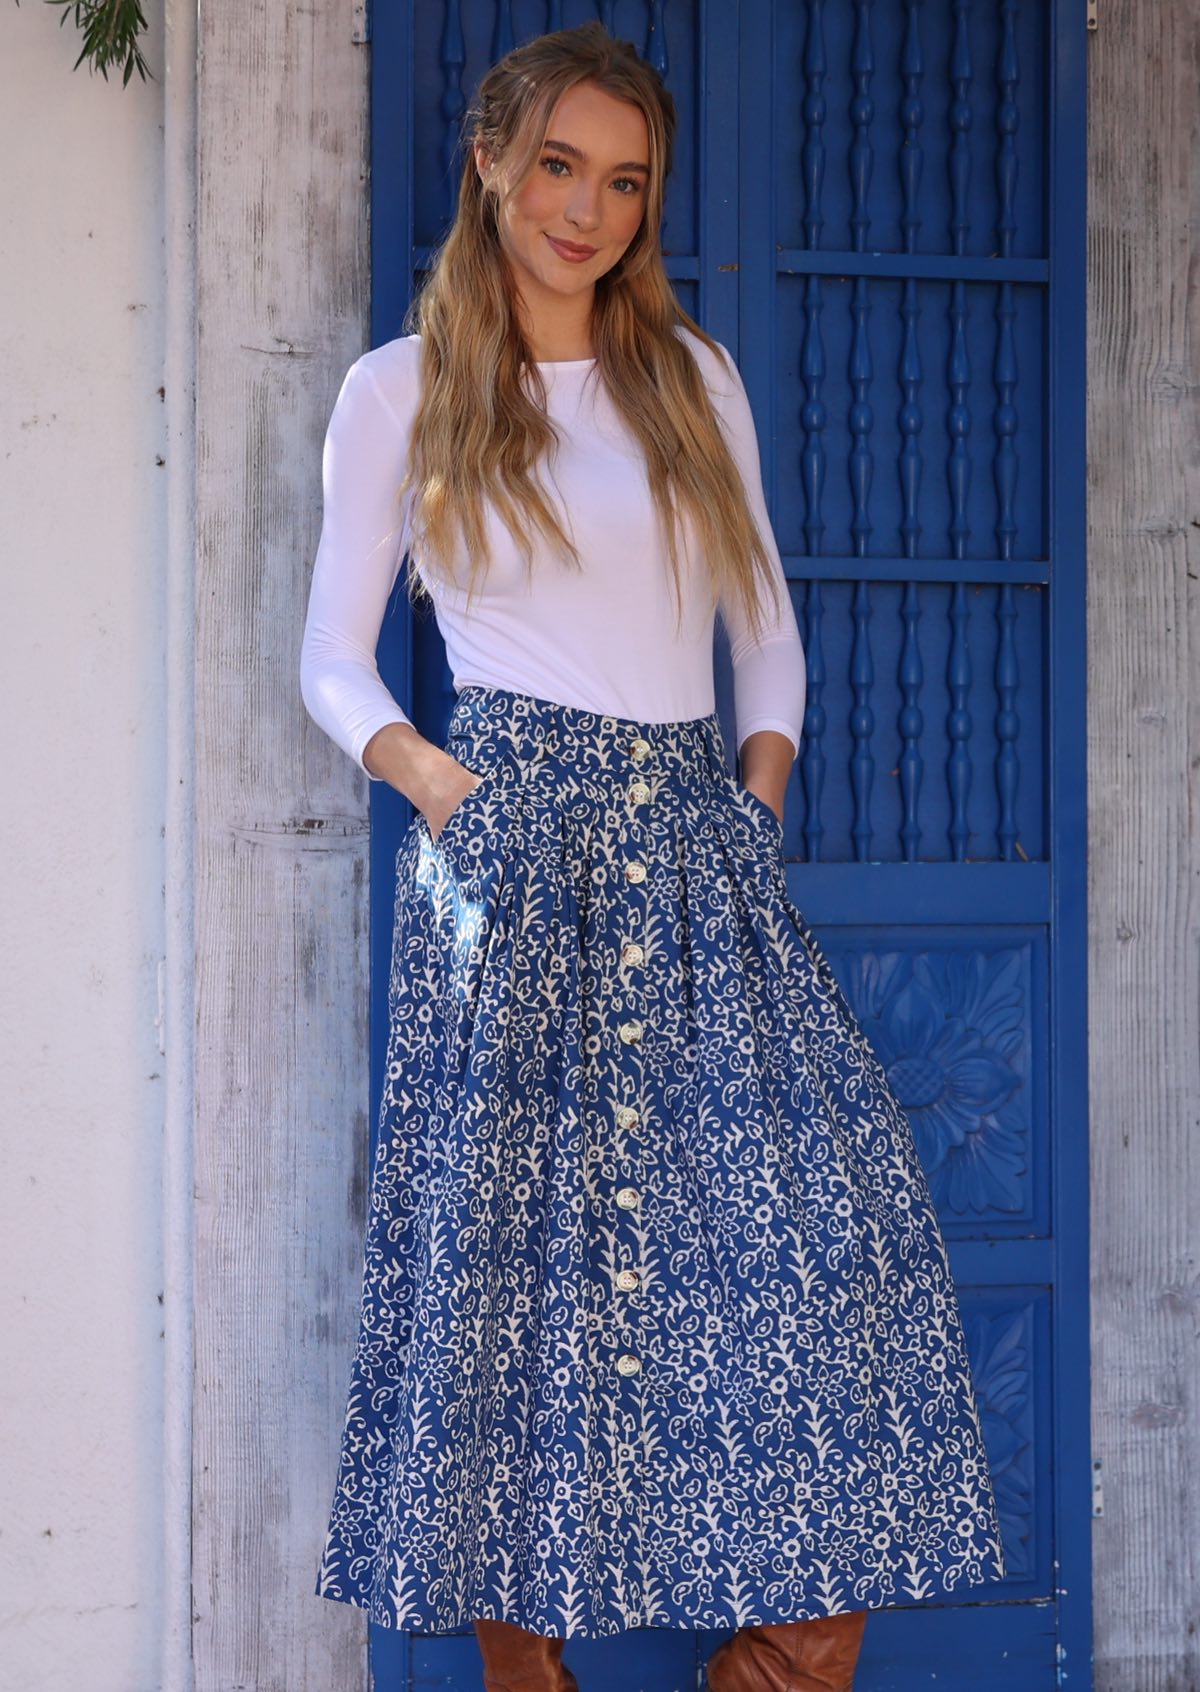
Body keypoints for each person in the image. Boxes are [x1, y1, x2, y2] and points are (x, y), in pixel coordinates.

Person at [300, 20, 1006, 1692]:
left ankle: (783, 1653)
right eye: (559, 166)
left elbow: (766, 632)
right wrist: (446, 788)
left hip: (701, 856)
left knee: (825, 1242)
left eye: (624, 181)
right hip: (514, 844)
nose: (587, 210)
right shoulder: (398, 393)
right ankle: (518, 1667)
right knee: (509, 1277)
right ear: (490, 162)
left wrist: (755, 807)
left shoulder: (692, 378)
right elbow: (330, 658)